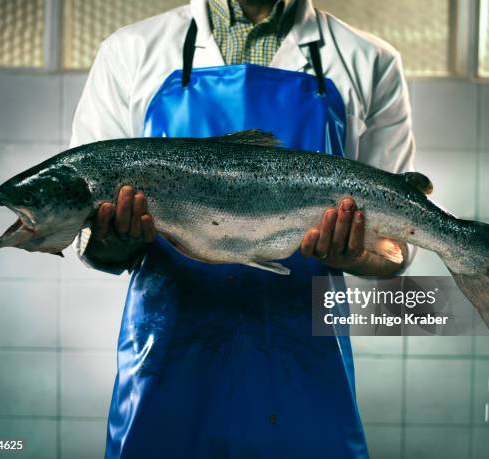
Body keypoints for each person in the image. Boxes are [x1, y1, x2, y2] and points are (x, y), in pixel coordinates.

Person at [70, 0, 415, 457]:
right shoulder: (130, 52)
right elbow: (88, 236)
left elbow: (397, 246)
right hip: (166, 358)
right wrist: (114, 239)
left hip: (305, 360)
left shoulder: (369, 60)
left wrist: (357, 254)